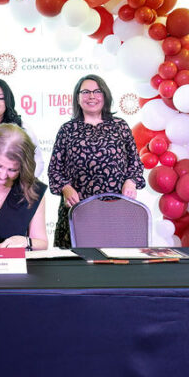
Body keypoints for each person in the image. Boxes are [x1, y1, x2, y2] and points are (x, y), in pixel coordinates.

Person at [47, 74, 146, 248]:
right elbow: (54, 169)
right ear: (77, 98)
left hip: (115, 211)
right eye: (85, 92)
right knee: (77, 268)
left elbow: (135, 164)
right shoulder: (67, 130)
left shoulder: (120, 126)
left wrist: (130, 182)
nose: (91, 96)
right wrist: (66, 188)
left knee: (114, 266)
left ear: (105, 96)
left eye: (97, 91)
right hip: (79, 213)